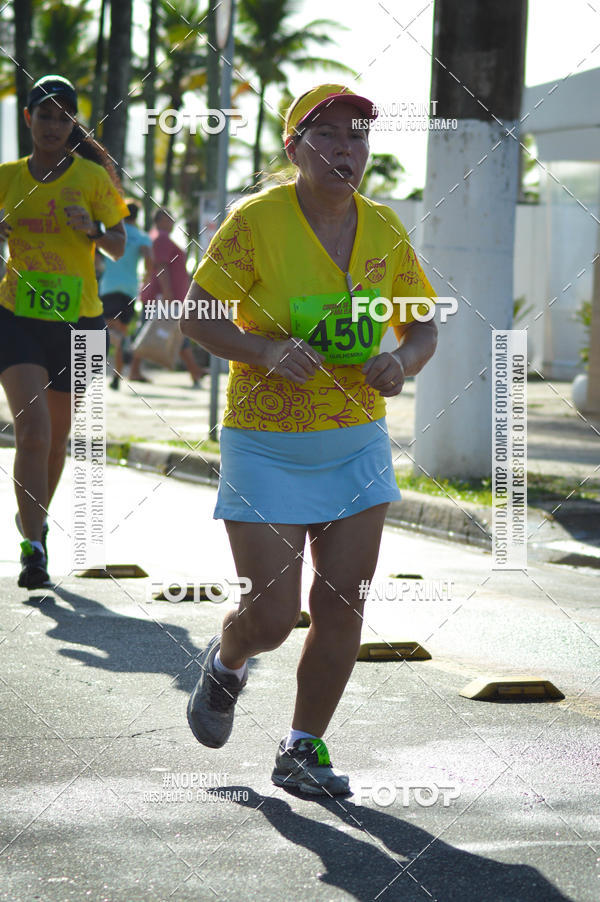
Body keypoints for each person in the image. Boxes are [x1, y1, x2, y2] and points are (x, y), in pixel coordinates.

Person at [181, 84, 438, 795]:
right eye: (326, 135)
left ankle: (302, 749)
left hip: (356, 439)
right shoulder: (255, 221)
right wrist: (264, 352)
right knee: (271, 616)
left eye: (356, 137)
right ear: (294, 147)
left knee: (342, 602)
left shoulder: (384, 228)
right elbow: (196, 318)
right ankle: (229, 659)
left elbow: (423, 326)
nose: (343, 150)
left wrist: (402, 362)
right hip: (266, 442)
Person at [0, 74, 128, 589]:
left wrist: (93, 232)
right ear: (28, 119)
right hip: (17, 318)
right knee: (33, 433)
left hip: (79, 321)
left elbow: (120, 246)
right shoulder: (6, 177)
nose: (53, 124)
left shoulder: (93, 179)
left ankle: (34, 522)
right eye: (44, 114)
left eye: (63, 115)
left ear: (73, 123)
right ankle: (33, 548)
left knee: (56, 443)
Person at [129, 208, 208, 387]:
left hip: (161, 296)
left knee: (170, 331)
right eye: (169, 219)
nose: (173, 222)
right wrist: (167, 294)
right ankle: (194, 371)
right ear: (160, 220)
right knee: (167, 331)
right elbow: (161, 265)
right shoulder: (162, 238)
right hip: (161, 297)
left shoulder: (158, 237)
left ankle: (194, 370)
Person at [99, 199, 153, 390]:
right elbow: (149, 260)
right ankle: (116, 375)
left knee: (105, 331)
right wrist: (145, 281)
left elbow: (96, 254)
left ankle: (95, 375)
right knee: (119, 334)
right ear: (137, 216)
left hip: (109, 287)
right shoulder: (142, 237)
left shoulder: (113, 233)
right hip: (130, 290)